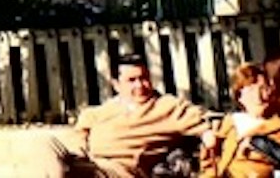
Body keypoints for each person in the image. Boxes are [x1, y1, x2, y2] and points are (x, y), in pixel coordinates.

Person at [78, 50, 214, 178]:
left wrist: (207, 134)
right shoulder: (97, 112)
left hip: (121, 170)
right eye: (132, 80)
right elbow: (76, 139)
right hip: (88, 163)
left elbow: (203, 119)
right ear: (116, 85)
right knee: (57, 149)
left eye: (144, 78)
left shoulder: (167, 106)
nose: (140, 85)